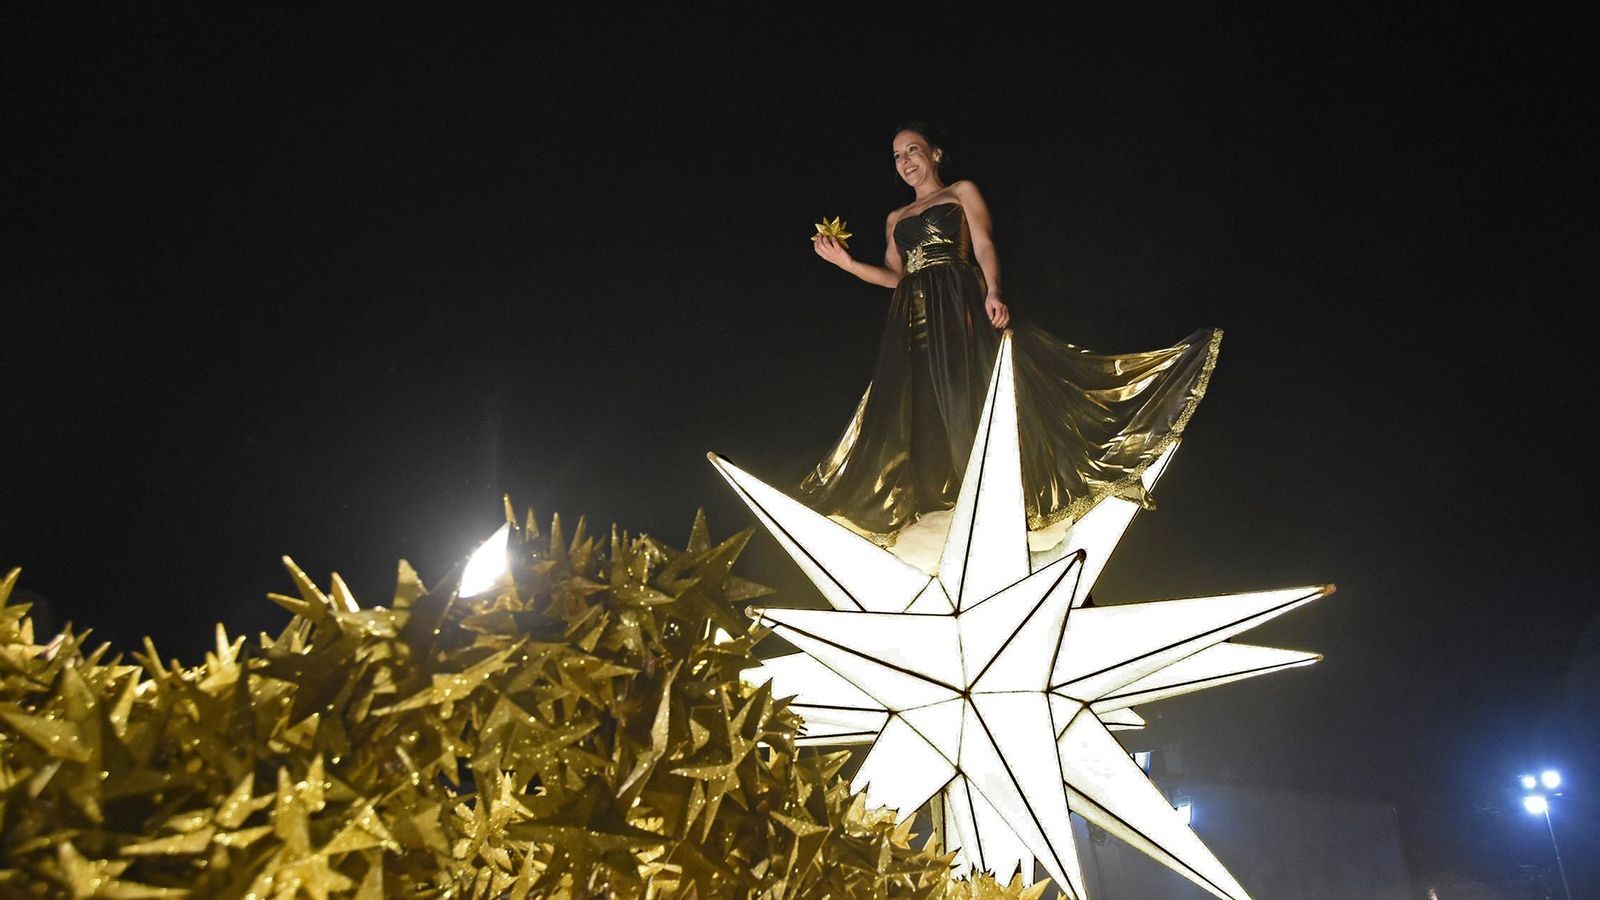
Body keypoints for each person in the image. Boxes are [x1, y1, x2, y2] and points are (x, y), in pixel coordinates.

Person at [802, 121, 1220, 546]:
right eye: (897, 156)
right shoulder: (895, 218)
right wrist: (847, 264)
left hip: (958, 300)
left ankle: (991, 496)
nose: (905, 161)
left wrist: (994, 290)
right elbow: (895, 275)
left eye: (913, 150)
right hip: (911, 316)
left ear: (935, 154)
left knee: (969, 395)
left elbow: (983, 246)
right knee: (917, 406)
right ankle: (942, 503)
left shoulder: (961, 192)